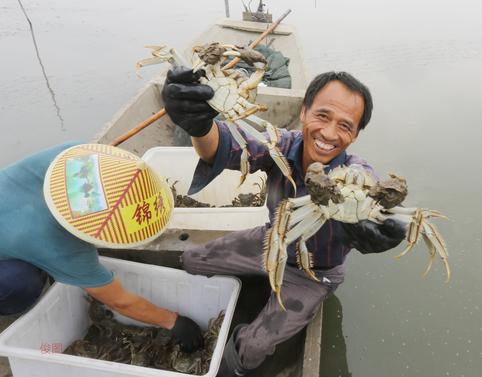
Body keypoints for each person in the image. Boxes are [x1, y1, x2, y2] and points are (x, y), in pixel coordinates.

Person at [163, 67, 407, 376]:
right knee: (192, 260)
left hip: (313, 272)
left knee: (253, 347)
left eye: (345, 125)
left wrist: (384, 226)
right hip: (269, 242)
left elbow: (378, 194)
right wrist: (199, 126)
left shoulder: (356, 176)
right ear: (304, 112)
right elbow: (226, 146)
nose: (330, 133)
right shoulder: (280, 146)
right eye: (322, 116)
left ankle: (228, 367)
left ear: (355, 134)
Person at [0, 143, 203, 352]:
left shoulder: (73, 155)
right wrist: (173, 321)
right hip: (25, 248)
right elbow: (120, 301)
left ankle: (26, 256)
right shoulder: (63, 248)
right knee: (18, 285)